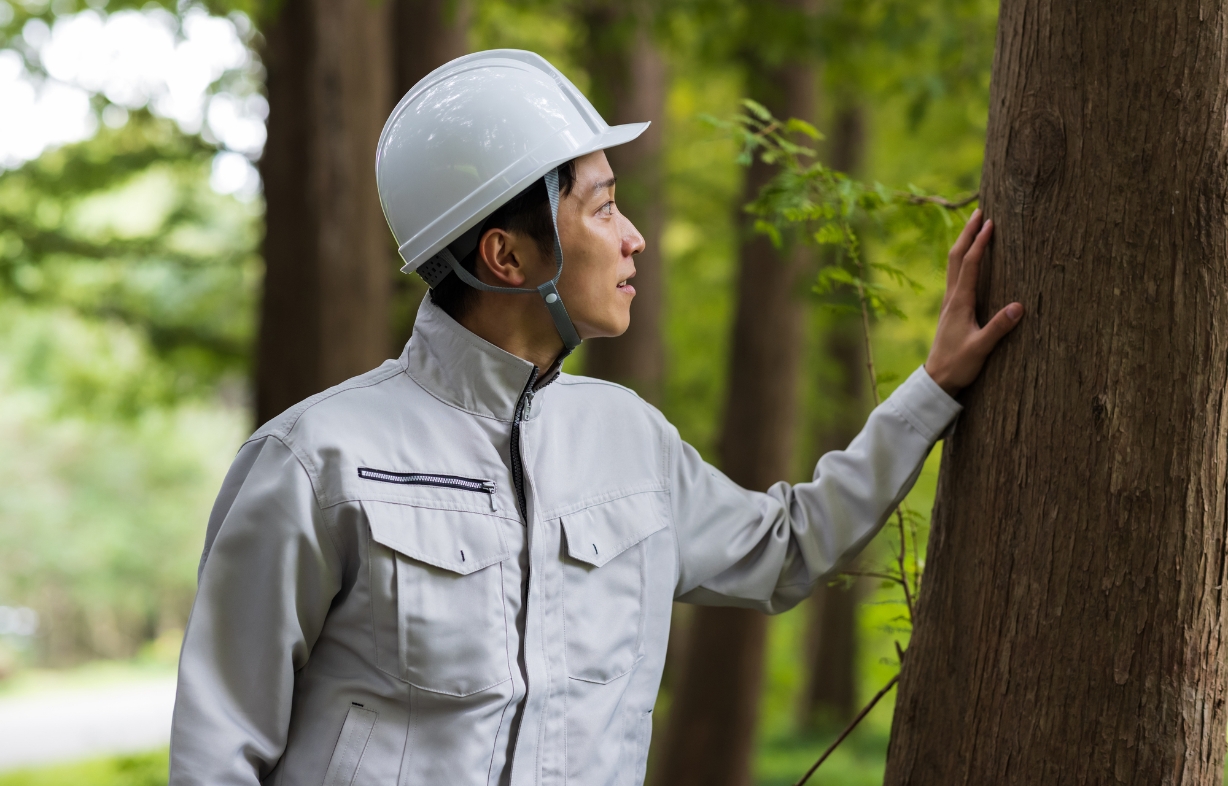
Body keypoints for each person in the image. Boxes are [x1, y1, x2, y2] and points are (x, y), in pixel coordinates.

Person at [169, 50, 1022, 786]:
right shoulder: (317, 461)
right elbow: (218, 751)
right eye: (604, 207)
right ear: (507, 255)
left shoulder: (629, 441)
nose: (635, 237)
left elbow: (786, 548)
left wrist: (935, 386)